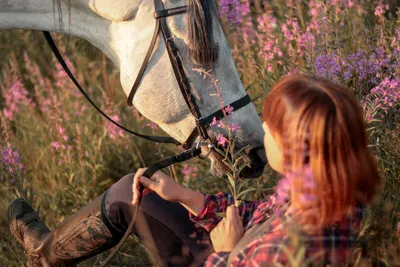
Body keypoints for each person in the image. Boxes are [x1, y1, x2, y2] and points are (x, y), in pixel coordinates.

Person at [8, 74, 381, 266]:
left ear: (295, 148)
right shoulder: (324, 188)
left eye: (268, 132)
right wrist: (189, 197)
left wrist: (226, 253)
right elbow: (257, 215)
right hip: (235, 251)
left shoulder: (291, 246)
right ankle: (45, 253)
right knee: (135, 191)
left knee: (131, 196)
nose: (261, 136)